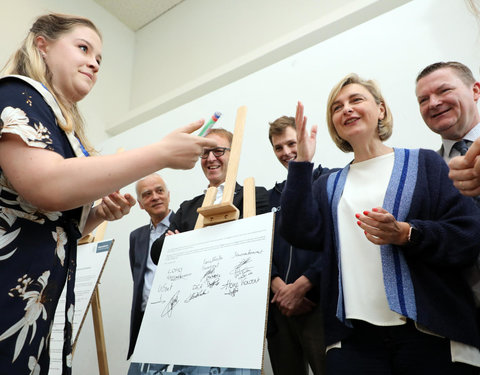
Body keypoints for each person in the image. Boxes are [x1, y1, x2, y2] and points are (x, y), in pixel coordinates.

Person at [0, 13, 216, 375]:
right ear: (43, 44)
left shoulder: (60, 125)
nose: (94, 64)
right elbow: (47, 186)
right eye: (83, 48)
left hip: (33, 303)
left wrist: (95, 215)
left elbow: (48, 227)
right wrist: (160, 153)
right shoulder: (16, 93)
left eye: (99, 59)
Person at [280, 73, 480, 374]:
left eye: (356, 100)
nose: (346, 109)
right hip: (354, 342)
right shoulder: (327, 185)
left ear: (381, 110)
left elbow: (468, 234)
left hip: (429, 333)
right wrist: (301, 164)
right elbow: (298, 232)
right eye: (337, 107)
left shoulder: (425, 163)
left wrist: (407, 234)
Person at [267, 115, 329, 375]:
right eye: (278, 147)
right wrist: (279, 287)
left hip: (318, 305)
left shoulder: (329, 182)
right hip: (279, 308)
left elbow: (335, 244)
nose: (286, 152)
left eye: (292, 143)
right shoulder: (269, 197)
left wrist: (304, 286)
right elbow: (260, 250)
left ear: (304, 140)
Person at [150, 128, 270, 264]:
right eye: (205, 152)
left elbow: (253, 241)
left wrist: (183, 243)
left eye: (218, 151)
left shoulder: (254, 195)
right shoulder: (187, 208)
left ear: (234, 155)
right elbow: (157, 252)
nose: (211, 159)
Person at [415, 62, 480, 197]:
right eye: (423, 100)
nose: (433, 103)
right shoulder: (425, 173)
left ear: (475, 91)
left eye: (444, 91)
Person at [128, 174, 174, 359]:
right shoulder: (136, 237)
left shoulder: (188, 223)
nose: (155, 197)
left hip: (179, 316)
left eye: (159, 191)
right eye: (147, 194)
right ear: (140, 203)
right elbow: (138, 278)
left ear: (168, 195)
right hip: (147, 318)